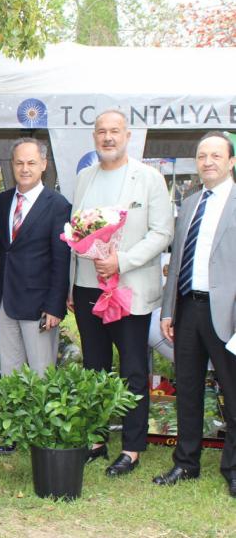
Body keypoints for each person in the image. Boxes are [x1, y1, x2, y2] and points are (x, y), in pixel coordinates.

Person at [69, 109, 173, 476]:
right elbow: (76, 232)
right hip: (88, 288)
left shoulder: (149, 179)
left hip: (129, 289)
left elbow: (162, 233)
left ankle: (132, 448)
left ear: (128, 136)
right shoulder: (84, 178)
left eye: (115, 131)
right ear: (94, 137)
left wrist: (122, 262)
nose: (108, 137)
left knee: (132, 369)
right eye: (101, 131)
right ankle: (96, 440)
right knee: (94, 366)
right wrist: (71, 284)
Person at [153, 132, 236, 496]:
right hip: (188, 308)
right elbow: (177, 262)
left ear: (231, 161)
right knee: (187, 389)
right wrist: (169, 309)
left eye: (216, 155)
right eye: (202, 156)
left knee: (232, 392)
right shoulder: (189, 203)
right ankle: (186, 463)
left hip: (228, 313)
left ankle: (232, 468)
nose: (208, 162)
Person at [0, 139, 71, 454]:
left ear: (44, 165)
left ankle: (42, 434)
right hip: (5, 299)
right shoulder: (3, 200)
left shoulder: (57, 204)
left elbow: (61, 260)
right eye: (19, 163)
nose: (24, 169)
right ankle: (12, 433)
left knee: (41, 372)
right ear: (12, 165)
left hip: (39, 304)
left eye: (31, 163)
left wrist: (55, 305)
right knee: (9, 371)